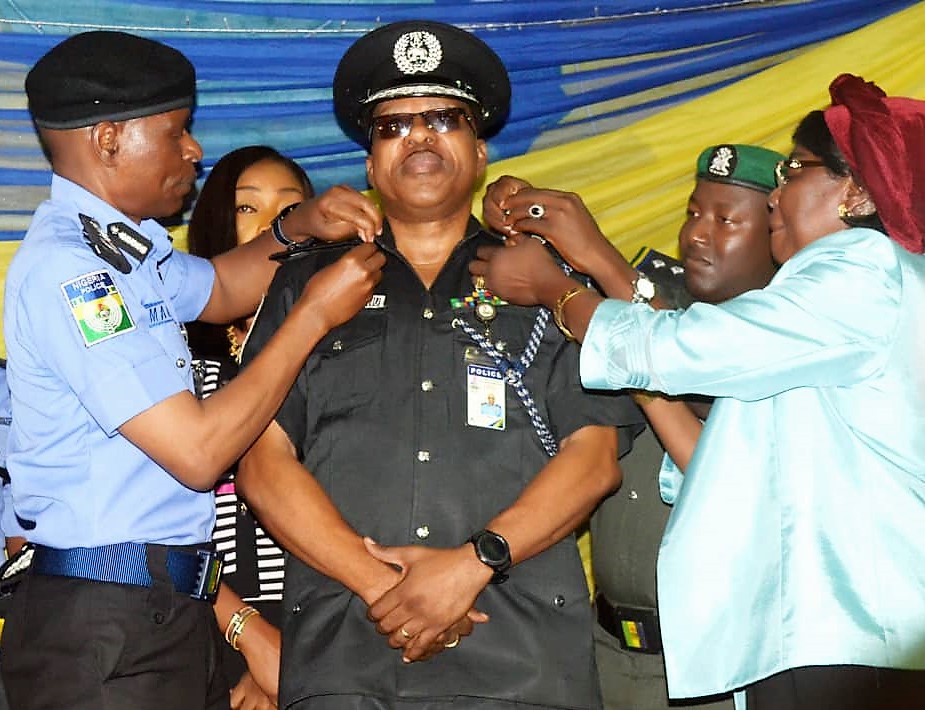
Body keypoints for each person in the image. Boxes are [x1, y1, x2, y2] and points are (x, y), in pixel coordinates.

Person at [472, 73, 925, 709]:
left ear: (852, 191)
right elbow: (728, 471)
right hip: (821, 631)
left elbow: (680, 347)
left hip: (847, 626)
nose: (776, 197)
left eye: (794, 170)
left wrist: (559, 291)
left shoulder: (860, 268)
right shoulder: (841, 306)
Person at [236, 19, 644, 710]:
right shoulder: (307, 284)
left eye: (443, 119)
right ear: (369, 166)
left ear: (479, 152)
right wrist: (382, 587)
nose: (419, 137)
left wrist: (470, 565)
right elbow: (262, 461)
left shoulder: (547, 278)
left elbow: (594, 453)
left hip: (521, 657)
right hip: (346, 653)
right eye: (394, 126)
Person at [1, 31, 385, 710]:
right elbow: (199, 454)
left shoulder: (124, 251)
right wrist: (312, 317)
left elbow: (220, 288)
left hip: (160, 615)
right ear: (109, 139)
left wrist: (299, 225)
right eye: (176, 131)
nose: (194, 150)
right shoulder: (76, 273)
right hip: (103, 628)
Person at [483, 142, 782, 710]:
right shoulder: (650, 297)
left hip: (716, 670)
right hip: (606, 654)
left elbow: (665, 355)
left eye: (727, 220)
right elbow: (563, 285)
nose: (698, 233)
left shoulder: (789, 339)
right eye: (694, 213)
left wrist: (589, 260)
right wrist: (514, 208)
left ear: (780, 233)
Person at [186, 145, 315, 709]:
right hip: (198, 633)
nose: (274, 226)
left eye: (292, 209)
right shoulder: (175, 365)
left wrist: (295, 656)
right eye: (248, 209)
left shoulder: (343, 353)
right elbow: (145, 525)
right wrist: (248, 636)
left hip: (329, 634)